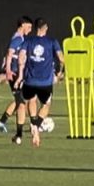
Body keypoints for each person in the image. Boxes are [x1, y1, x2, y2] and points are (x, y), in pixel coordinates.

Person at [13, 18, 64, 148]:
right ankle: (35, 125)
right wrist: (59, 71)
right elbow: (61, 59)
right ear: (45, 27)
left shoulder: (28, 41)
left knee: (31, 100)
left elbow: (21, 58)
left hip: (30, 80)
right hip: (45, 82)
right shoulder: (52, 41)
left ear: (35, 28)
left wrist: (20, 76)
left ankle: (31, 125)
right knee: (46, 104)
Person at [0, 15, 33, 134]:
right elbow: (9, 53)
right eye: (29, 26)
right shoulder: (18, 39)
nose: (30, 29)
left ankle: (2, 121)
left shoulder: (20, 38)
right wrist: (8, 70)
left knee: (21, 100)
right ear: (23, 25)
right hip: (15, 73)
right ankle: (30, 126)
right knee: (23, 100)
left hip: (17, 72)